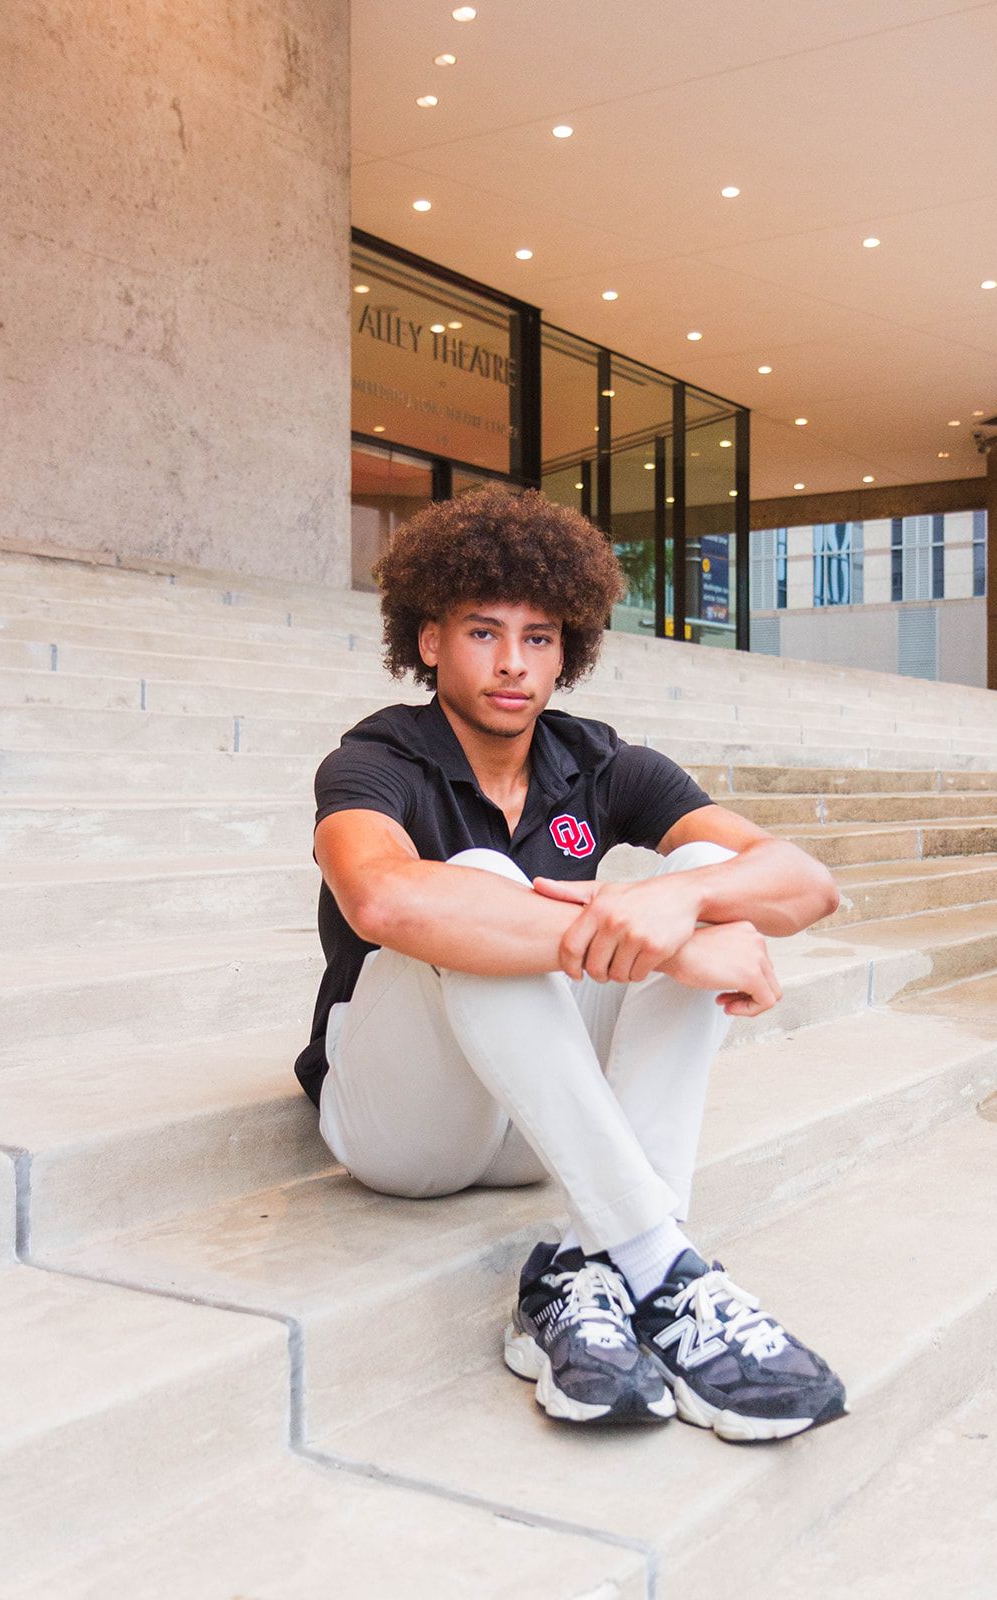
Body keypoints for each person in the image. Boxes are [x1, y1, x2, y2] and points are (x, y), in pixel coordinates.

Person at [294, 485, 847, 1441]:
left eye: (539, 637)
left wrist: (676, 903)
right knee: (467, 880)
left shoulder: (597, 760)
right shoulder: (378, 755)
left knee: (711, 867)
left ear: (569, 648)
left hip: (538, 1118)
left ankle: (580, 1277)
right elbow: (382, 898)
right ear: (429, 642)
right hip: (404, 1127)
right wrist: (664, 941)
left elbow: (802, 883)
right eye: (482, 633)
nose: (513, 663)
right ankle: (658, 1263)